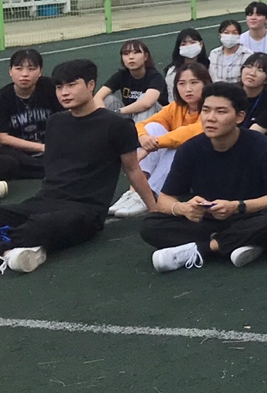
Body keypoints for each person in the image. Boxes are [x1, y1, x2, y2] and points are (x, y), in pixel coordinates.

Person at [0, 59, 150, 274]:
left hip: (85, 210)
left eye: (71, 85)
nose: (64, 92)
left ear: (91, 85)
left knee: (42, 225)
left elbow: (133, 169)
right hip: (45, 201)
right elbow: (52, 168)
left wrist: (154, 208)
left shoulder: (118, 125)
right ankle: (14, 251)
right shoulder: (55, 122)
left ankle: (12, 246)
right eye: (59, 87)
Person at [140, 82, 267, 272]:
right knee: (150, 225)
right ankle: (241, 243)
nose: (210, 118)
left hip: (249, 216)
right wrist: (183, 208)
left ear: (239, 117)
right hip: (207, 221)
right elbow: (164, 199)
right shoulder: (190, 149)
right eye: (206, 110)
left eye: (221, 112)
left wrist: (238, 206)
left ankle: (204, 249)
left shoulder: (260, 145)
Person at [110, 61, 211, 218]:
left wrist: (151, 146)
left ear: (206, 84)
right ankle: (136, 191)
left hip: (203, 169)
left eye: (194, 83)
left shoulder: (210, 109)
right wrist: (144, 138)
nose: (188, 89)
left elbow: (188, 134)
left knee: (177, 148)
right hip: (181, 167)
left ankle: (151, 194)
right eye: (182, 84)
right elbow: (143, 125)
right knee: (152, 128)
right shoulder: (176, 107)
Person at [0, 48, 60, 186]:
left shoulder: (51, 88)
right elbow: (2, 137)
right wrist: (41, 147)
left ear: (40, 71)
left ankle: (44, 168)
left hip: (51, 146)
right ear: (10, 71)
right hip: (18, 152)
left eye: (31, 69)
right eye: (19, 68)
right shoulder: (3, 98)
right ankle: (48, 169)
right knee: (9, 163)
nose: (25, 74)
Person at [97, 39, 167, 123]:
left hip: (157, 118)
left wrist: (118, 111)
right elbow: (98, 97)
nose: (131, 57)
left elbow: (147, 103)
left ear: (145, 56)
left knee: (144, 100)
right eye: (126, 54)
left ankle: (138, 131)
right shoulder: (121, 75)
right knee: (108, 99)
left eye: (136, 52)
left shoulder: (155, 76)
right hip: (129, 114)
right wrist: (105, 113)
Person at [237, 54, 267, 136]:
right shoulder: (229, 92)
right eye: (249, 67)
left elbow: (253, 134)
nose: (252, 73)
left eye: (260, 70)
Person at [164, 28, 207, 101]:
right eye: (183, 44)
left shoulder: (209, 66)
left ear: (201, 44)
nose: (188, 46)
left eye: (192, 42)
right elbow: (174, 98)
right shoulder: (173, 72)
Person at [208, 18, 252, 83]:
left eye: (234, 33)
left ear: (239, 35)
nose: (230, 35)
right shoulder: (214, 53)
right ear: (220, 35)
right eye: (226, 32)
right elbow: (212, 75)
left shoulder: (247, 54)